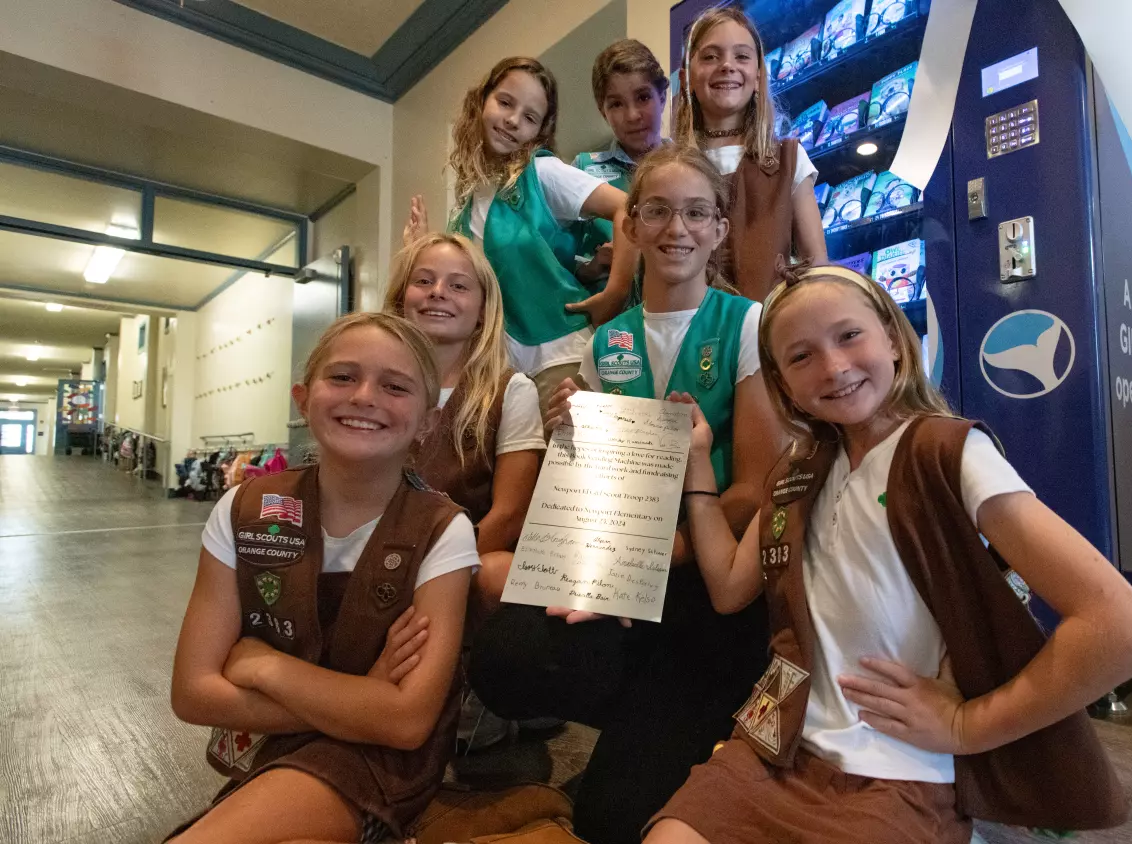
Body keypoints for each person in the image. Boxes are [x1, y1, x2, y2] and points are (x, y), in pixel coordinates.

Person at [645, 264, 1132, 844]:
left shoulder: (948, 453)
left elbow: (1123, 629)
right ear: (782, 384)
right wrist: (698, 462)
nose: (835, 367)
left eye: (849, 336)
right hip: (777, 749)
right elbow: (728, 587)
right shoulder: (799, 471)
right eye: (800, 357)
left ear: (893, 336)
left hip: (901, 773)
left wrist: (966, 727)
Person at [467, 144, 781, 844]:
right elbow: (596, 496)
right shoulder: (603, 342)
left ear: (720, 230)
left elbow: (754, 489)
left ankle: (681, 727)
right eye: (659, 211)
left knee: (610, 821)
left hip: (708, 581)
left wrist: (650, 559)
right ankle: (658, 726)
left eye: (697, 213)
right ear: (631, 226)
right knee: (506, 657)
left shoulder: (748, 323)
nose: (678, 229)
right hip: (634, 579)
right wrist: (567, 440)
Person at [168, 312, 480, 844]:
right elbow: (193, 694)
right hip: (272, 751)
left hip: (383, 765)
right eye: (341, 377)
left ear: (428, 420)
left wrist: (263, 664)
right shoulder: (243, 510)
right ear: (301, 397)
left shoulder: (443, 531)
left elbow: (405, 722)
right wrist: (362, 701)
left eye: (395, 386)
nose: (363, 396)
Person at [404, 56, 636, 411]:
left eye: (529, 117)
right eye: (505, 103)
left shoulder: (543, 173)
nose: (513, 120)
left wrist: (615, 292)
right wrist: (421, 249)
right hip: (499, 367)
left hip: (559, 356)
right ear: (482, 101)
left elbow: (628, 208)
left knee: (567, 464)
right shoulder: (466, 201)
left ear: (540, 130)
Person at [384, 232, 545, 609]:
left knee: (500, 570)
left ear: (482, 313)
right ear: (399, 302)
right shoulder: (370, 387)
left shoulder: (511, 391)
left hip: (461, 561)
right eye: (423, 280)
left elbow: (510, 515)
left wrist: (428, 572)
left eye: (458, 285)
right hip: (372, 554)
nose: (438, 292)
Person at [675, 6, 828, 301]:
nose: (727, 65)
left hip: (767, 333)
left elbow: (817, 265)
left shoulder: (789, 161)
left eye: (742, 56)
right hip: (691, 337)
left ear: (758, 76)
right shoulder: (672, 168)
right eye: (710, 56)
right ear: (687, 78)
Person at [571, 39, 670, 289]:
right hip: (610, 322)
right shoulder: (581, 171)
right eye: (616, 104)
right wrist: (591, 267)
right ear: (603, 112)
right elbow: (555, 259)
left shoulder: (692, 167)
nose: (632, 115)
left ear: (662, 96)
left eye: (643, 97)